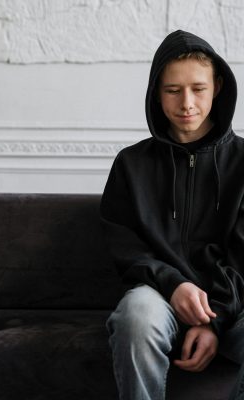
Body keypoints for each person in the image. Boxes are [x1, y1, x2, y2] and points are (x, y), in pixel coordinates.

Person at [100, 30, 244, 399]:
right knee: (135, 316)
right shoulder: (131, 164)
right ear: (155, 92)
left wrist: (216, 320)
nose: (187, 103)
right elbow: (123, 244)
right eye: (172, 90)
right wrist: (172, 283)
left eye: (198, 88)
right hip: (159, 293)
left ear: (218, 86)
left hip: (234, 302)